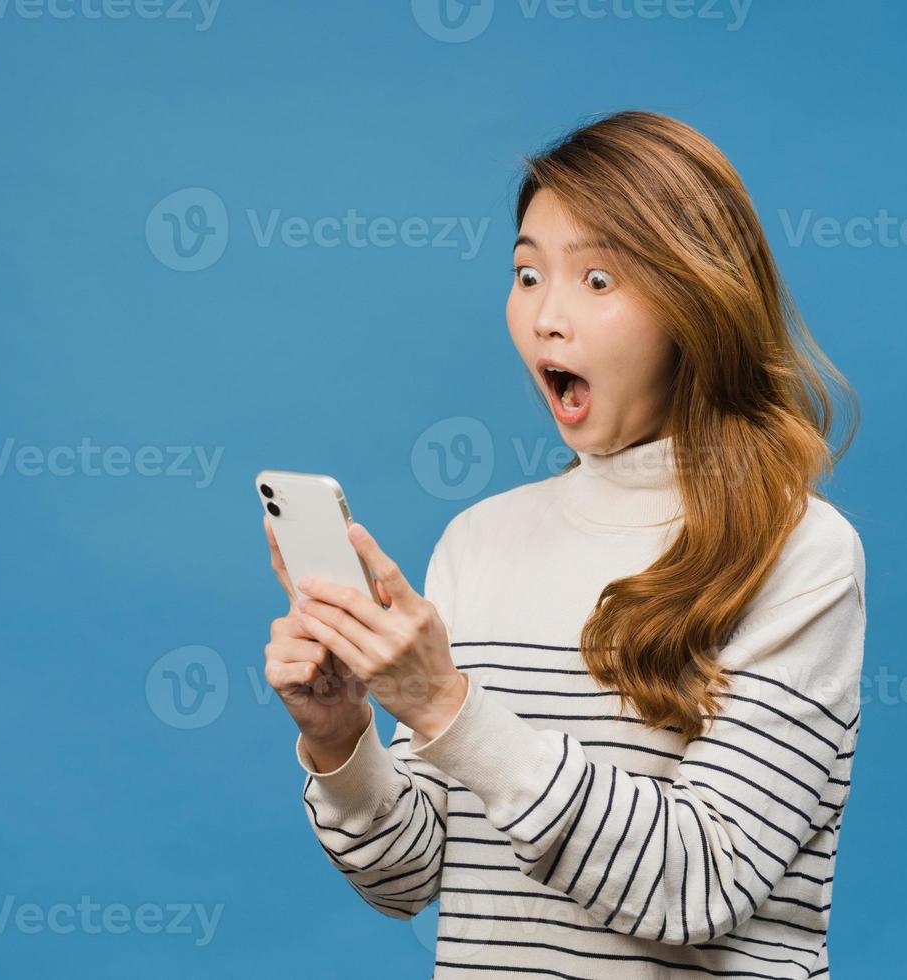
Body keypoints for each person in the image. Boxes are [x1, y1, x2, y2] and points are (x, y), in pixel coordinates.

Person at [262, 109, 865, 979]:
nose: (545, 317)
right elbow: (412, 875)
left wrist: (445, 705)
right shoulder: (479, 541)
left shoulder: (800, 552)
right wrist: (339, 735)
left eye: (596, 280)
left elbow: (696, 891)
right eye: (527, 273)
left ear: (695, 302)